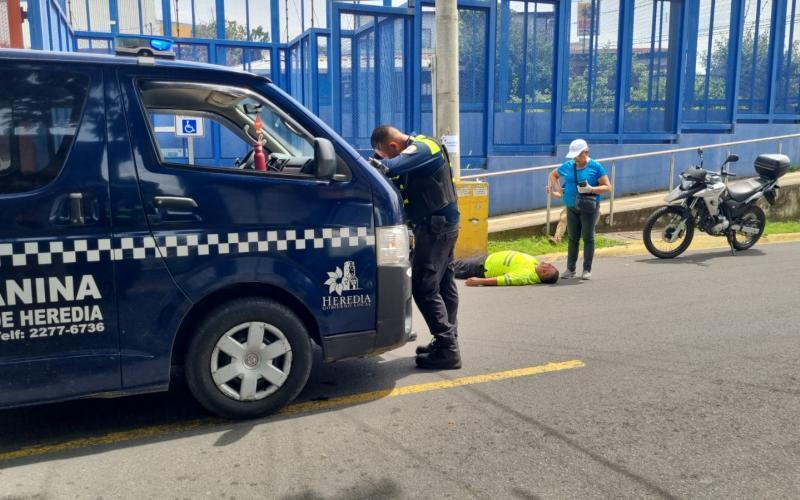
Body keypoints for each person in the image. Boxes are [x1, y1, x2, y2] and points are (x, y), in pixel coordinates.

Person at [370, 125, 462, 370]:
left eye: (384, 153)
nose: (385, 158)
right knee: (444, 285)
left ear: (393, 146)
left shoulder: (424, 147)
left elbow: (388, 168)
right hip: (438, 225)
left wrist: (370, 164)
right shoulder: (413, 151)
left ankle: (448, 349)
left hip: (436, 227)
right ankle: (447, 343)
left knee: (423, 287)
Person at [547, 139, 612, 280]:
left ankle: (587, 269)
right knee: (572, 238)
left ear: (586, 152)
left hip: (588, 208)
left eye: (578, 155)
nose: (575, 158)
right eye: (574, 156)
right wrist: (559, 189)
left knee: (588, 237)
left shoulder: (596, 167)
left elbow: (608, 187)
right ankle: (570, 269)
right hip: (571, 206)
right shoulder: (568, 165)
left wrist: (591, 189)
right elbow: (553, 175)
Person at [454, 250, 559, 286]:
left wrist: (479, 281)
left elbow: (501, 280)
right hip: (488, 259)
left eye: (549, 266)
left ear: (544, 273)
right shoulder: (535, 264)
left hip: (481, 267)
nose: (549, 264)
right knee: (453, 263)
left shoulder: (525, 275)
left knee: (450, 266)